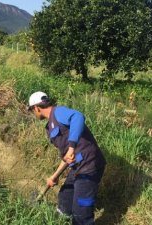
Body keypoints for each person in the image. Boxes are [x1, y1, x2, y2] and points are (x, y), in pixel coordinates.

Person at [28, 91, 106, 225]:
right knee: (65, 197)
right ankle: (61, 219)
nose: (33, 113)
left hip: (89, 165)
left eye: (31, 110)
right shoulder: (50, 127)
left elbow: (78, 116)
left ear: (36, 107)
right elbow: (67, 158)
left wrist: (71, 146)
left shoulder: (58, 112)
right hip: (77, 167)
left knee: (81, 211)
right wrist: (55, 176)